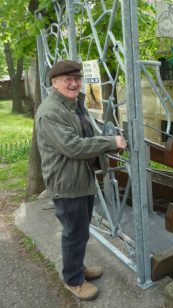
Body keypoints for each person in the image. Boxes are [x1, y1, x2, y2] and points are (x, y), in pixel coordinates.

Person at [35, 60, 127, 301]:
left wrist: (106, 141)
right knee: (74, 233)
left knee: (80, 231)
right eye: (68, 80)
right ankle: (73, 280)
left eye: (77, 78)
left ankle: (77, 267)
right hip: (67, 183)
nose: (74, 83)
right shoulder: (51, 112)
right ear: (54, 83)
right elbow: (73, 147)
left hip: (80, 178)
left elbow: (87, 133)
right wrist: (110, 142)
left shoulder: (74, 104)